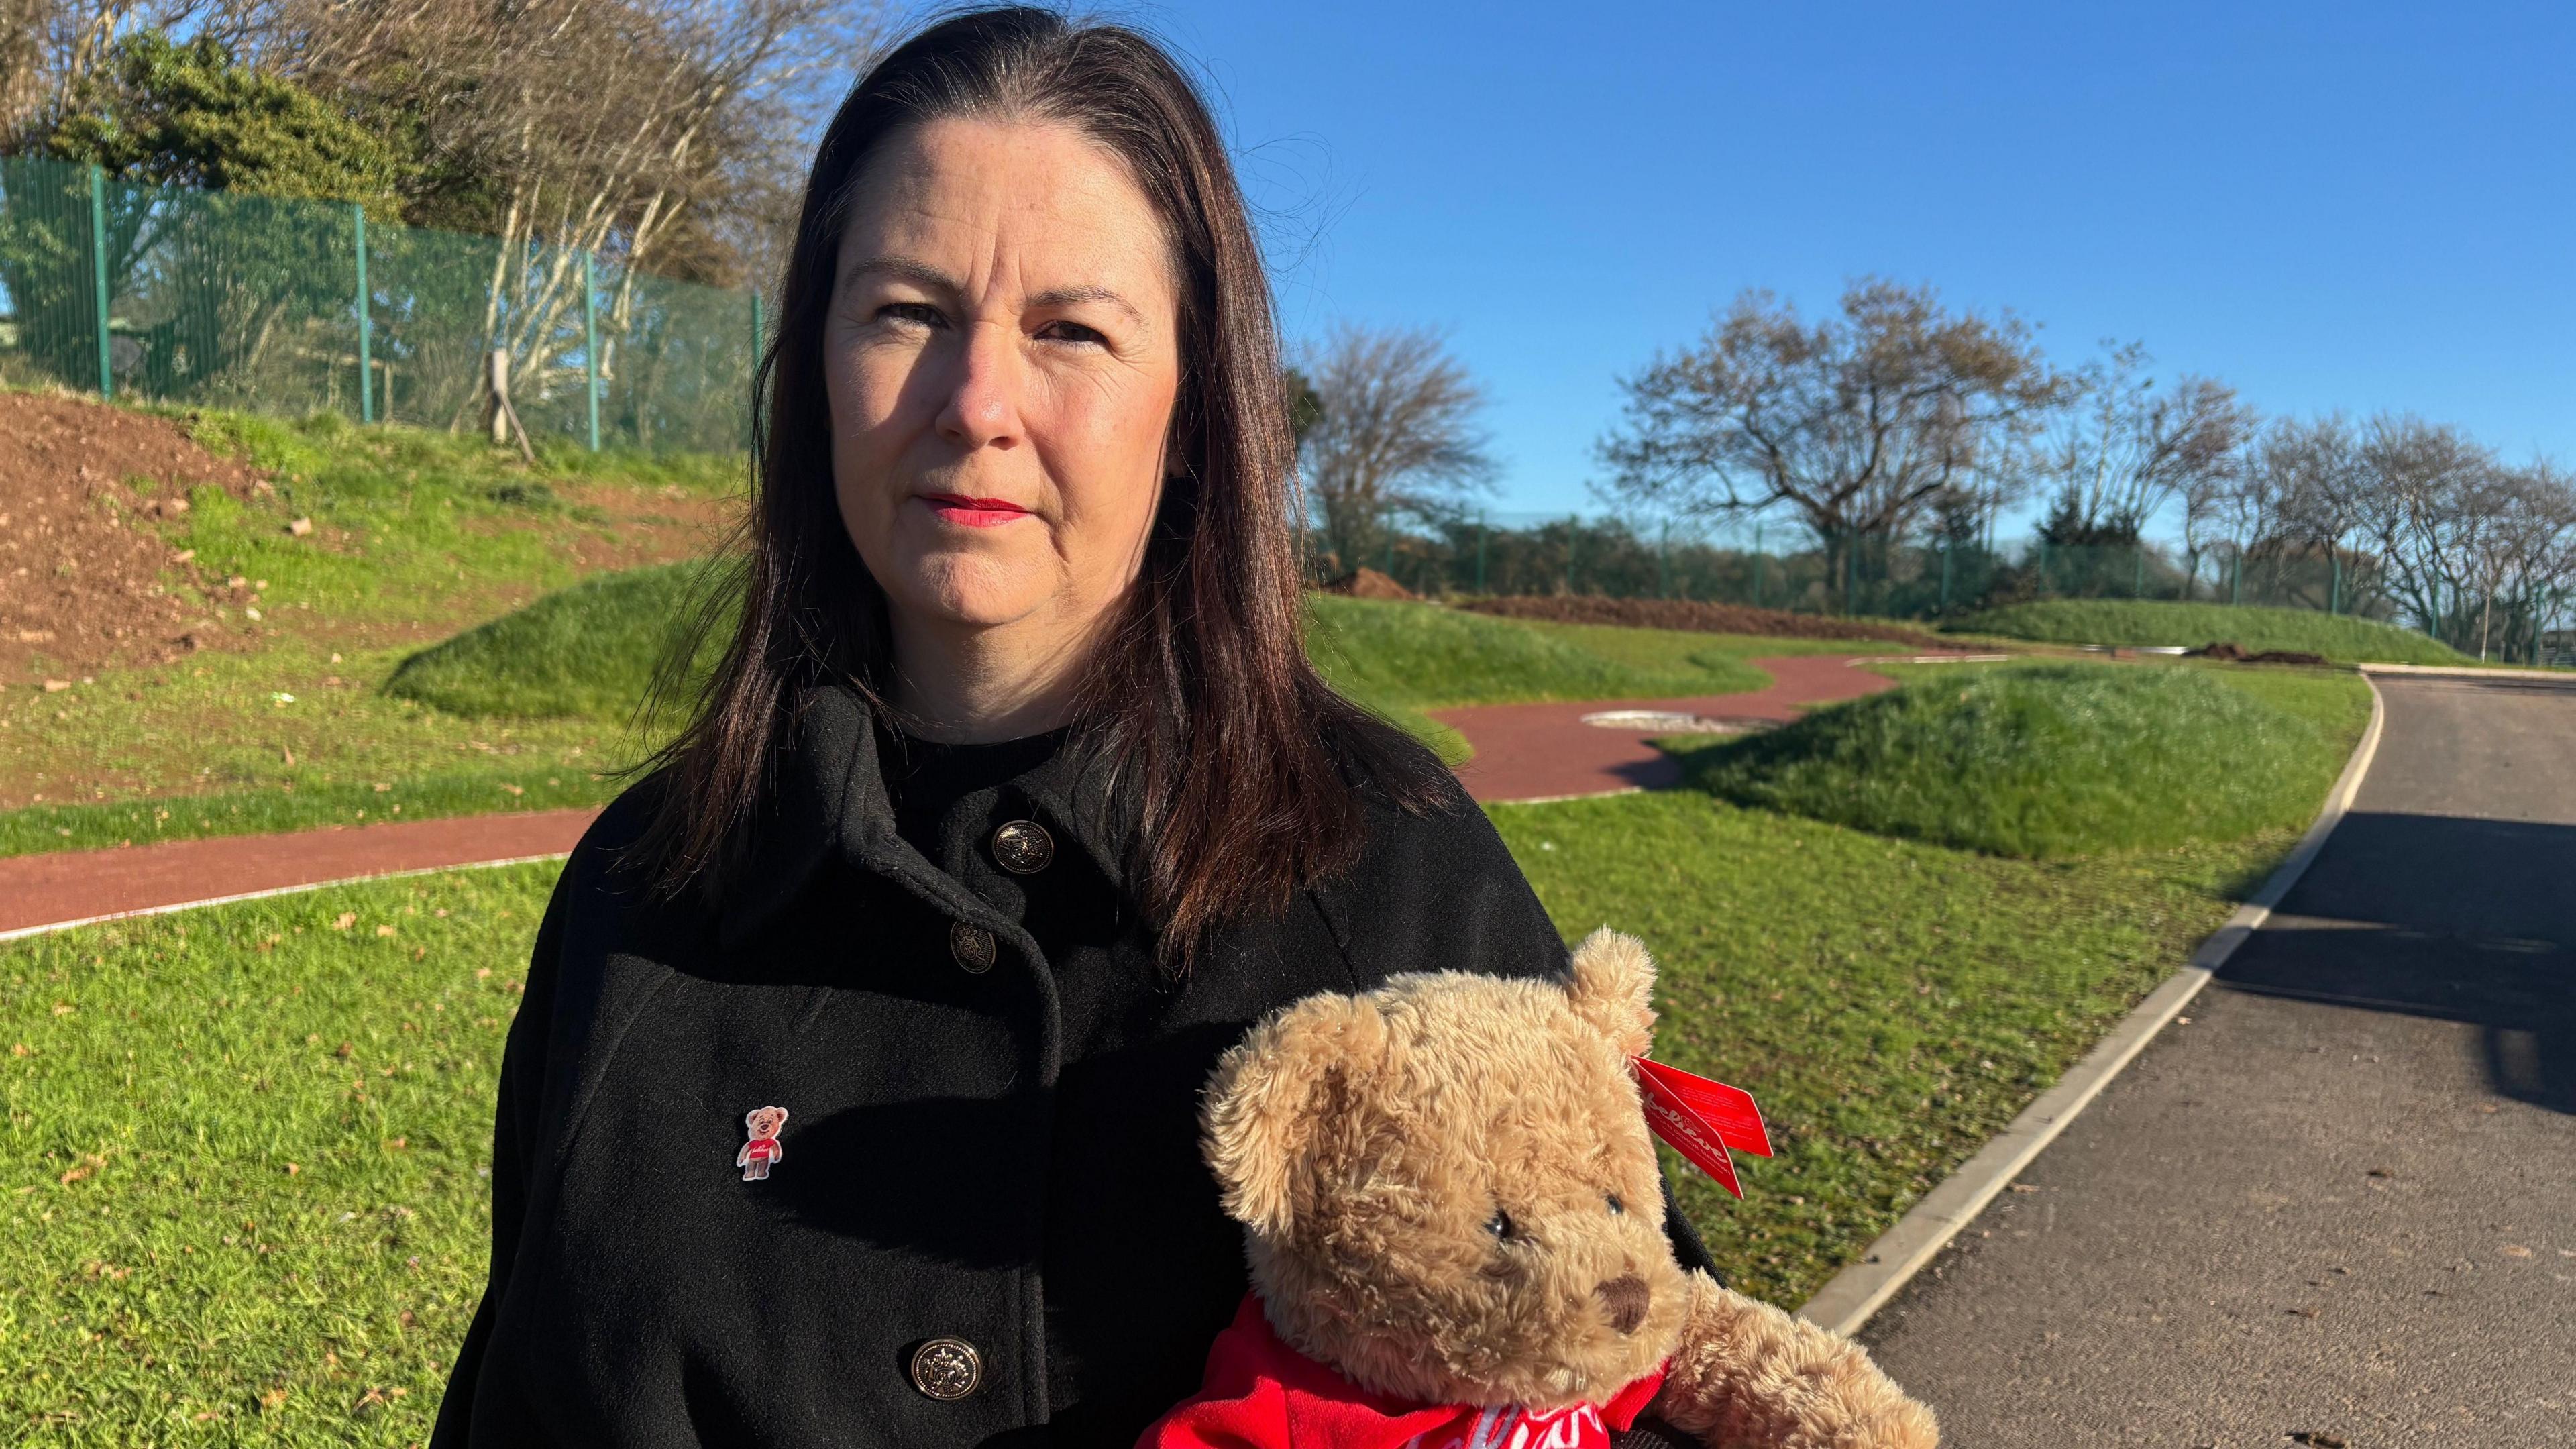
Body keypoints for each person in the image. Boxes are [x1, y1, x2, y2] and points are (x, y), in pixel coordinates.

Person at [429, 9, 1714, 1446]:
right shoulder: (642, 888)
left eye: (1071, 331)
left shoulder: (1386, 865)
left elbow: (1643, 1364)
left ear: (1192, 407)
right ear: (812, 365)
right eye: (905, 311)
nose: (974, 403)